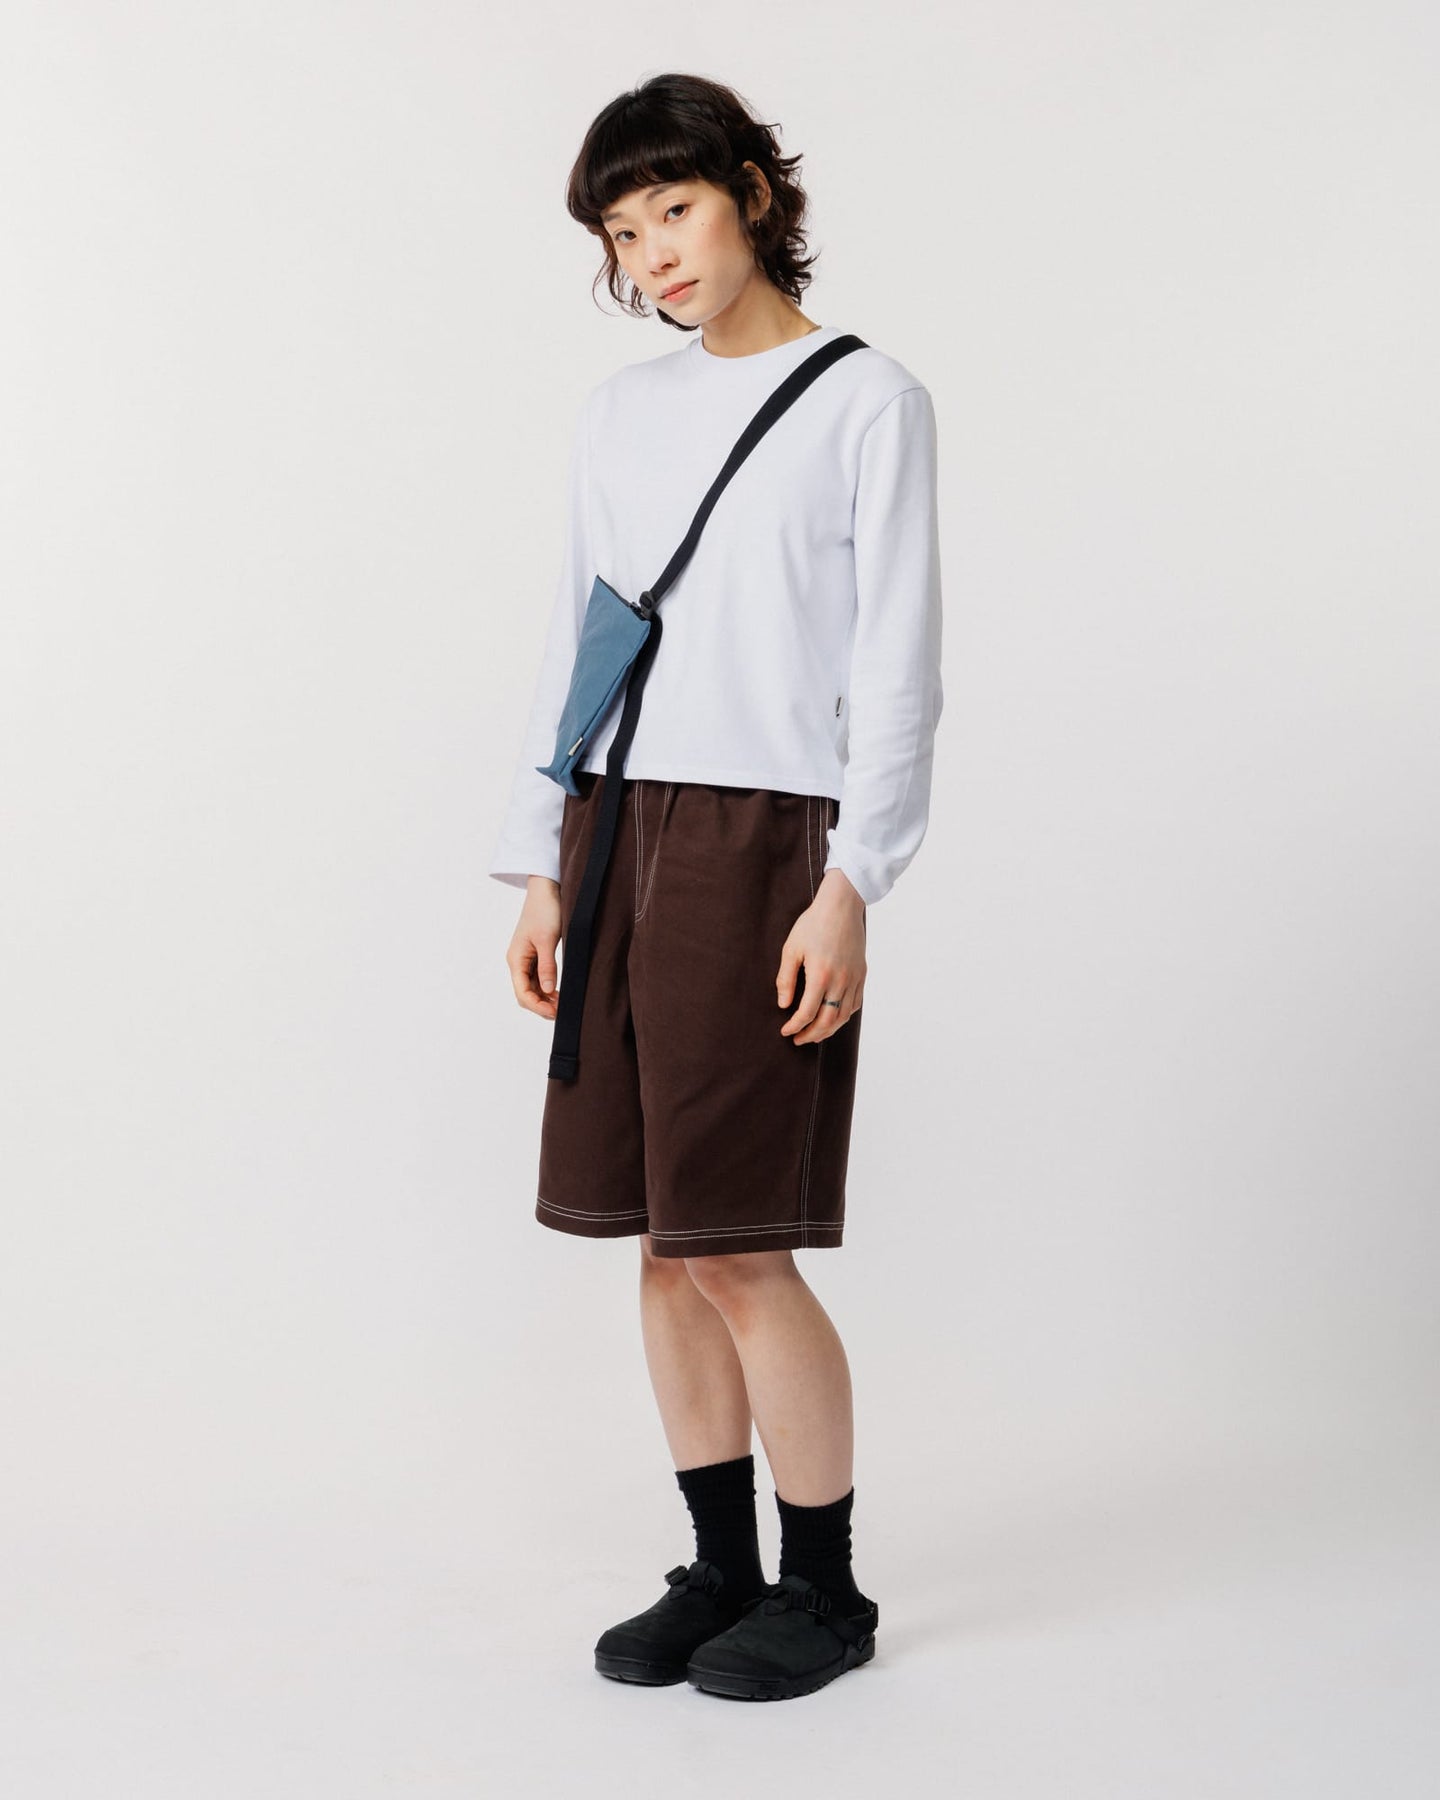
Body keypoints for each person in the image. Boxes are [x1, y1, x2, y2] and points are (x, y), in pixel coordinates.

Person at [488, 73, 944, 1702]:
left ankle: (825, 1592)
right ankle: (721, 1568)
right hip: (615, 825)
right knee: (660, 1242)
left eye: (673, 209)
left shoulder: (868, 400)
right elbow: (580, 636)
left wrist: (854, 880)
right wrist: (541, 861)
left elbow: (899, 666)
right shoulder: (619, 413)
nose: (654, 254)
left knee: (739, 1239)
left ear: (753, 191)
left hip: (765, 840)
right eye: (623, 232)